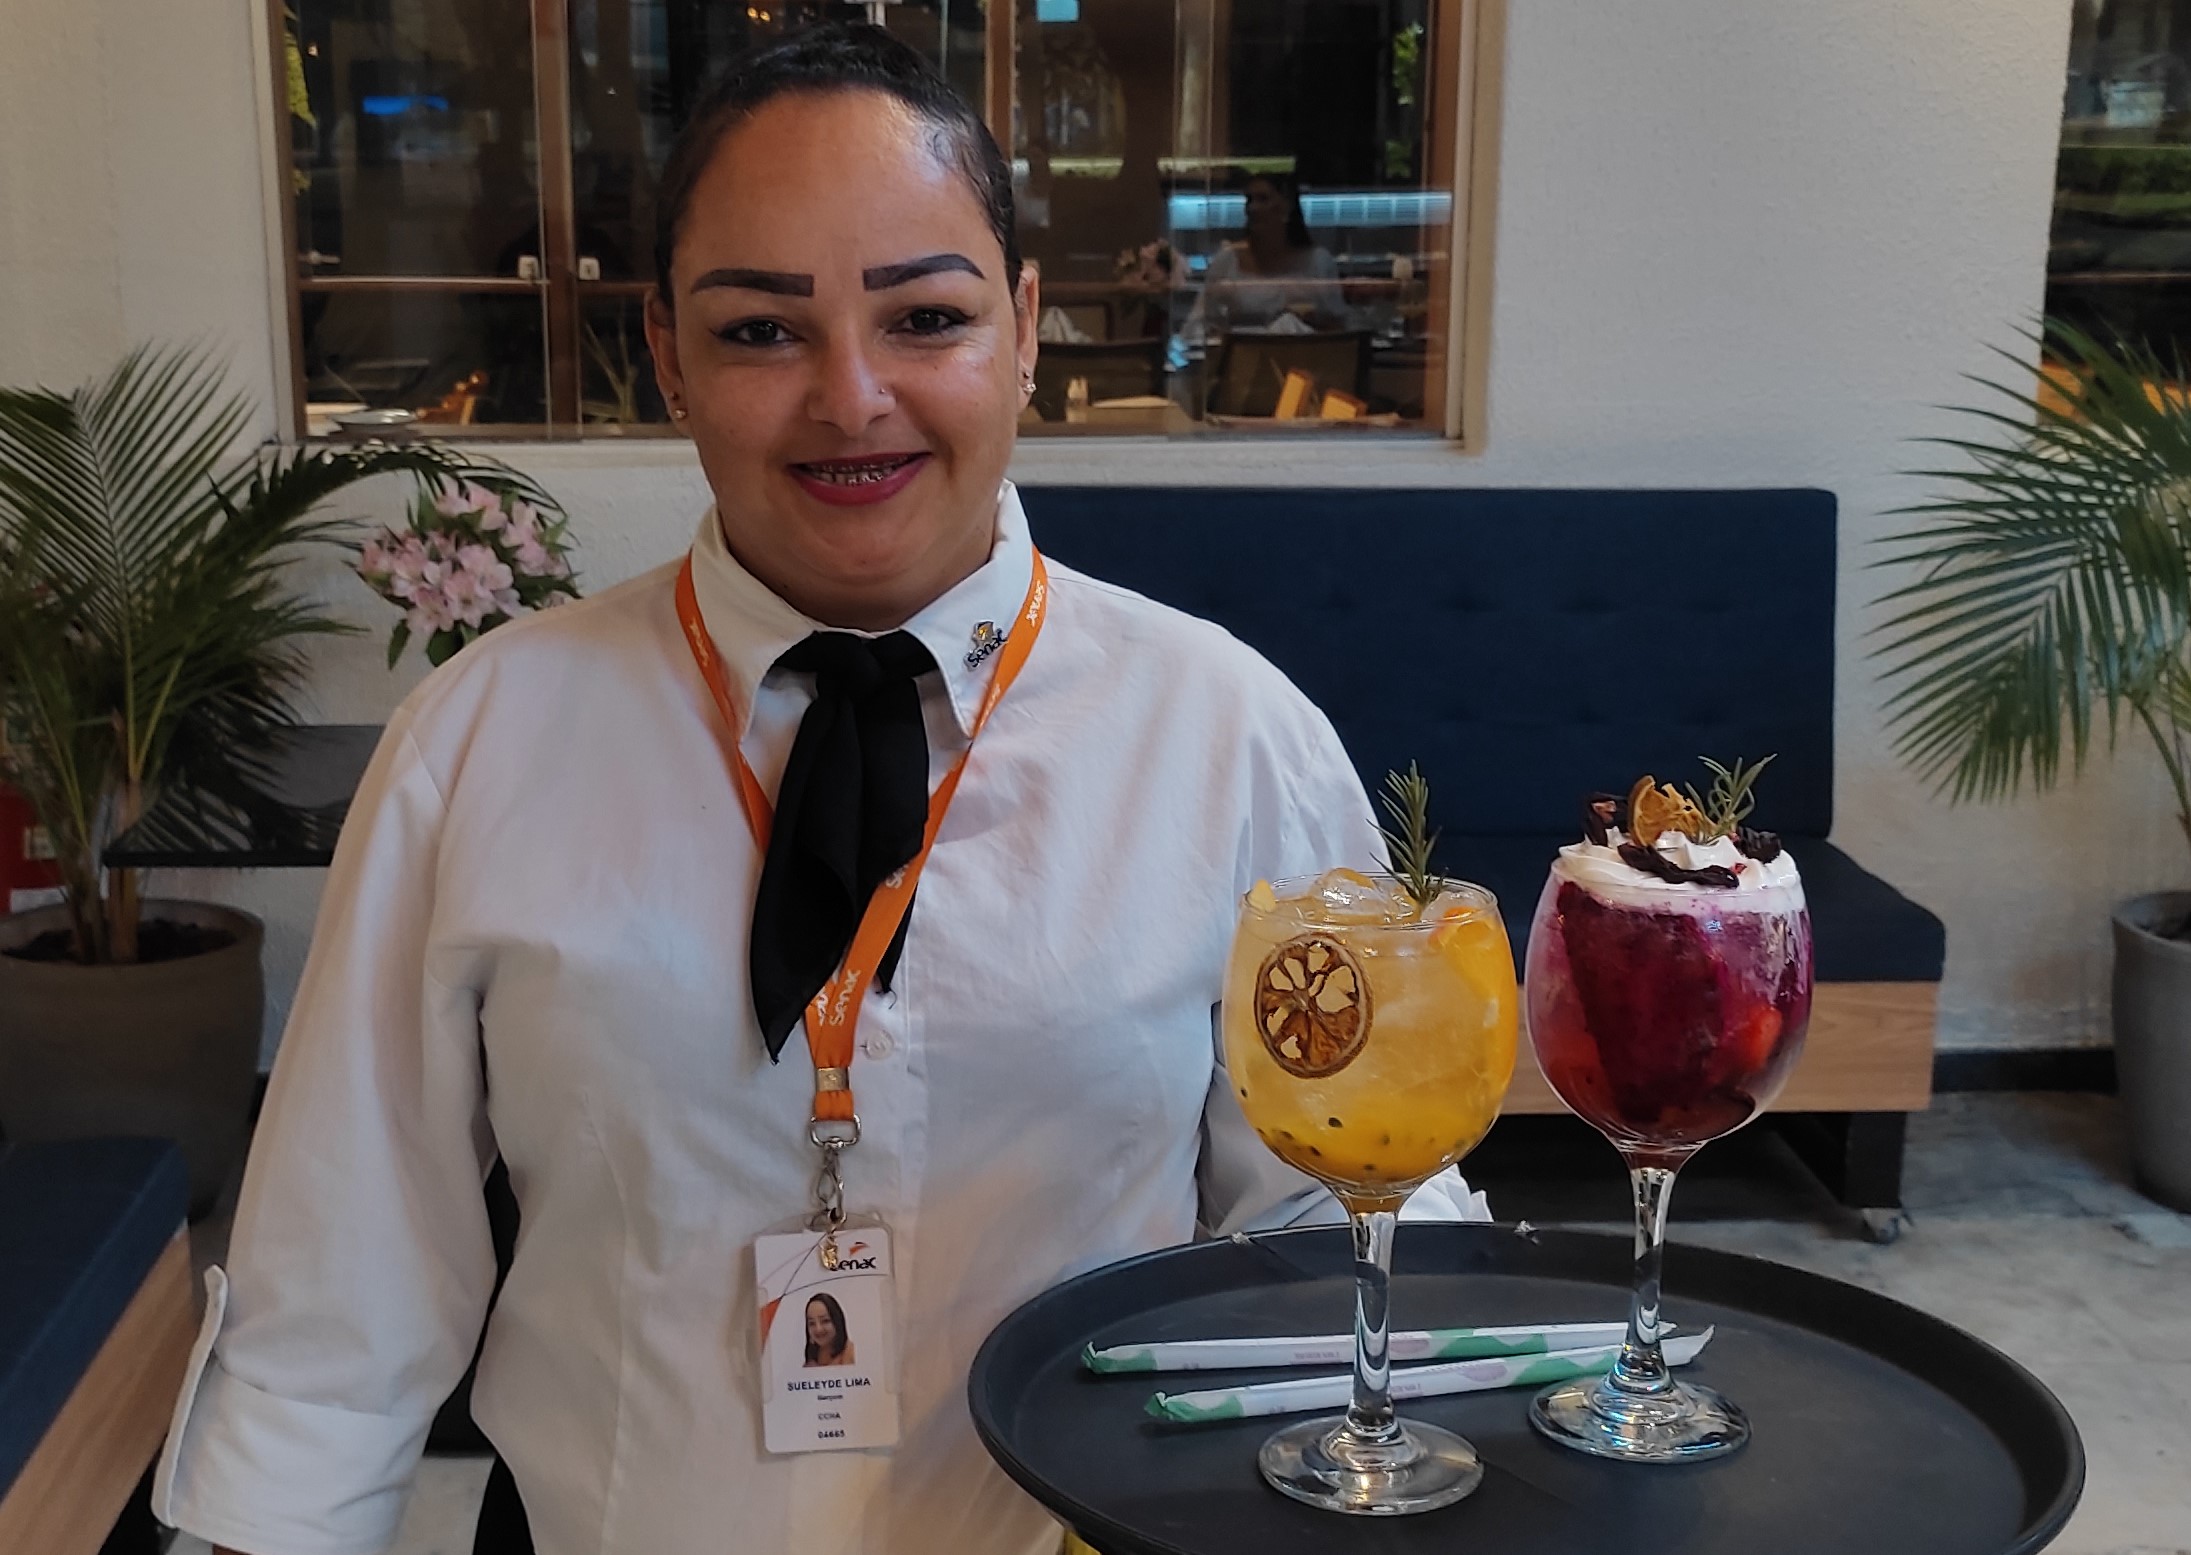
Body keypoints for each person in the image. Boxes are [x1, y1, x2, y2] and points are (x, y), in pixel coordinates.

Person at [155, 26, 1483, 1555]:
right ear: (665, 354)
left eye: (924, 316)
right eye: (759, 330)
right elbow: (342, 1283)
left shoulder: (1225, 731)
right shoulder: (481, 738)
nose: (851, 398)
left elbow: (1340, 1213)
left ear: (1024, 329)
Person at [1184, 172, 1349, 339]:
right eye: (1249, 200)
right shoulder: (1227, 260)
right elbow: (1206, 324)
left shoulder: (1318, 262)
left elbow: (1337, 327)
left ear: (1287, 206)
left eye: (1263, 199)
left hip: (1302, 353)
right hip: (1244, 353)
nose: (1253, 208)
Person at [804, 1292, 856, 1367]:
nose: (818, 1329)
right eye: (812, 1323)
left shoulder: (850, 1353)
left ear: (837, 1321)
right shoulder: (811, 1357)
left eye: (825, 1321)